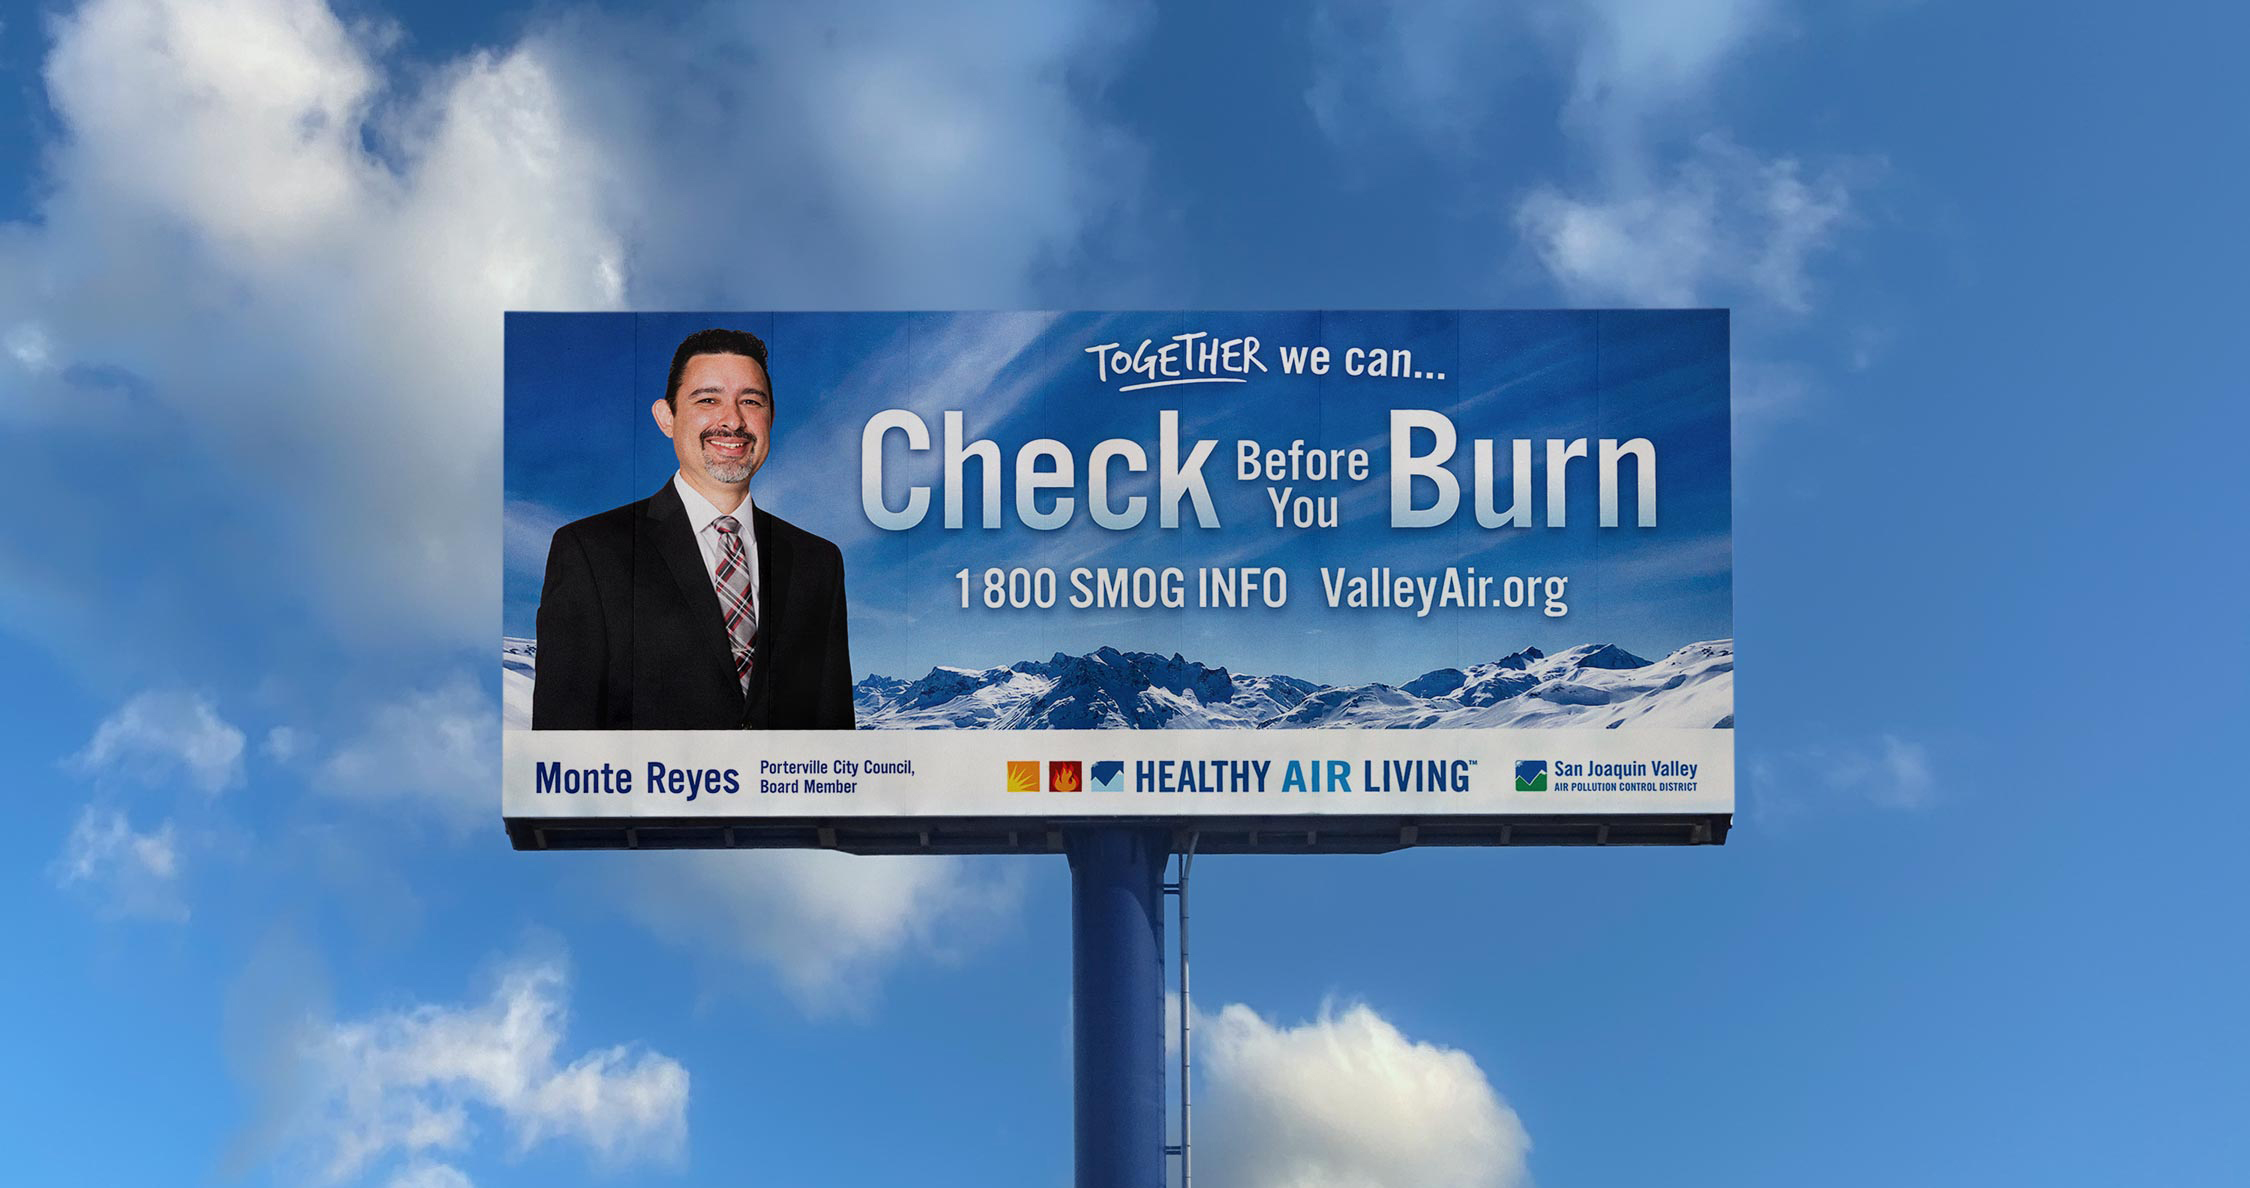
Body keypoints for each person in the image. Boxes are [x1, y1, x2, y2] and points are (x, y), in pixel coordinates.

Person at [533, 328, 855, 729]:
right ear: (666, 418)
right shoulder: (590, 551)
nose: (733, 420)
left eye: (751, 401)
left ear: (770, 418)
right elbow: (561, 744)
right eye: (708, 399)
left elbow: (835, 735)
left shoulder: (818, 562)